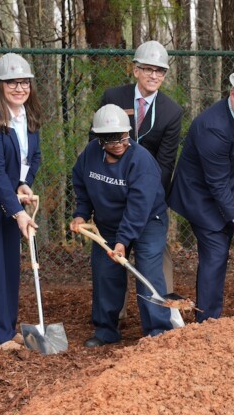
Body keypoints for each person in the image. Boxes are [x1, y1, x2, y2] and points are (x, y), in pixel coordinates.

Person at [168, 61, 234, 322]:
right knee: (215, 252)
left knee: (218, 250)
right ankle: (208, 322)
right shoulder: (212, 127)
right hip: (199, 196)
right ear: (233, 92)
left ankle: (208, 313)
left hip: (227, 189)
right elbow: (215, 183)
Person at [70, 104, 173, 347]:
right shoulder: (90, 155)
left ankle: (157, 331)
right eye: (110, 139)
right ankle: (106, 330)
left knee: (147, 270)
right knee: (105, 272)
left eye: (123, 137)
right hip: (107, 223)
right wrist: (81, 214)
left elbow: (139, 207)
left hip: (147, 221)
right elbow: (81, 186)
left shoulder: (141, 161)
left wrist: (122, 241)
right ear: (99, 139)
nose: (118, 143)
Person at [100, 40, 183, 293]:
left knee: (153, 254)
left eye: (160, 71)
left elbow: (166, 162)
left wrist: (146, 198)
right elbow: (98, 142)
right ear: (135, 70)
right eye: (148, 69)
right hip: (114, 191)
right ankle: (114, 317)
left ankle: (164, 312)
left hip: (149, 195)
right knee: (112, 254)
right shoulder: (113, 97)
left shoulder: (171, 111)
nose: (154, 75)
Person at [0, 53, 42, 351]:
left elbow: (32, 159)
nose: (19, 88)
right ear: (0, 85)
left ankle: (8, 327)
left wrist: (23, 184)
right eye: (12, 83)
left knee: (10, 271)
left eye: (24, 82)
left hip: (11, 201)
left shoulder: (28, 118)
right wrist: (17, 211)